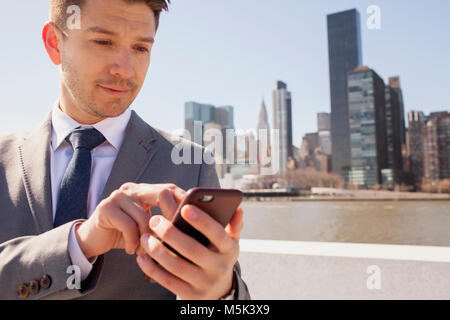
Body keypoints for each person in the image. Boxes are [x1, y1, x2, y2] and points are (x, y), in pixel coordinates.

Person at [0, 0, 250, 300]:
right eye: (103, 41)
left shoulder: (192, 164)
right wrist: (79, 243)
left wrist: (222, 293)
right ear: (55, 43)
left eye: (141, 48)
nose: (125, 70)